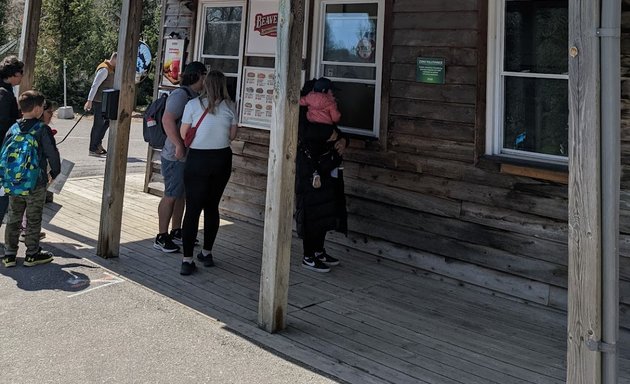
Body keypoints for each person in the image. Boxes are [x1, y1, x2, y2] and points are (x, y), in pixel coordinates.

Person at [178, 70, 237, 275]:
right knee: (212, 206)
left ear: (205, 84)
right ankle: (207, 252)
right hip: (221, 158)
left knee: (192, 209)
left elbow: (184, 133)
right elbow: (232, 135)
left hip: (198, 158)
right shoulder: (230, 106)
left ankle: (187, 260)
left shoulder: (193, 105)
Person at [1, 90, 61, 268]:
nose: (43, 110)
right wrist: (54, 173)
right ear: (36, 109)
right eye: (43, 107)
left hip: (15, 182)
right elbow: (52, 154)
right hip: (36, 182)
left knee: (14, 217)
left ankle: (10, 254)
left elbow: (4, 153)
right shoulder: (42, 129)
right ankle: (32, 253)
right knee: (34, 218)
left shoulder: (13, 128)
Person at [295, 78, 348, 273]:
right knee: (311, 212)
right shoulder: (302, 113)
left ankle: (319, 250)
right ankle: (308, 255)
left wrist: (343, 141)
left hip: (327, 167)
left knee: (325, 210)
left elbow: (338, 132)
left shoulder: (322, 111)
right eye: (330, 93)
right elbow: (304, 132)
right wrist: (329, 135)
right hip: (310, 169)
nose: (332, 96)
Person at [154, 61, 206, 253]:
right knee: (171, 194)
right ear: (198, 75)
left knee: (181, 194)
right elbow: (167, 120)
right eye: (204, 75)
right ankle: (161, 235)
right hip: (175, 155)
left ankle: (177, 230)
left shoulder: (194, 96)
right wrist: (178, 145)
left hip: (185, 155)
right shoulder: (181, 95)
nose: (206, 79)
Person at [0, 56, 24, 228]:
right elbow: (4, 124)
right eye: (21, 73)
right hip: (3, 148)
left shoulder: (5, 91)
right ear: (15, 74)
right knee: (2, 193)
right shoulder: (5, 94)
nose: (22, 77)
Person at [84, 52, 117, 156]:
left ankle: (98, 144)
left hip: (106, 101)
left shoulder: (111, 68)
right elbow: (95, 85)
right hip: (99, 101)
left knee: (106, 123)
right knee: (98, 125)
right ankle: (92, 148)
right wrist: (89, 101)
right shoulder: (104, 69)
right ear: (115, 59)